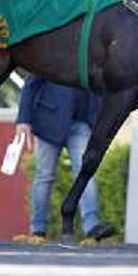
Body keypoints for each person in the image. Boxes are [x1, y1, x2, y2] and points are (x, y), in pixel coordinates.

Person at [14, 75, 115, 241]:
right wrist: (23, 120)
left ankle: (92, 226)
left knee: (85, 173)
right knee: (44, 176)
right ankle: (38, 228)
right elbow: (32, 81)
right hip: (50, 119)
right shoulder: (49, 49)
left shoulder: (92, 49)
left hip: (82, 122)